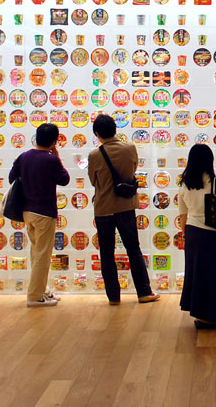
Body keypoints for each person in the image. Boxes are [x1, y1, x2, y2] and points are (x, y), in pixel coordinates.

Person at [87, 114, 159, 305]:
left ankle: (113, 297)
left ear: (97, 133)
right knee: (133, 249)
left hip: (103, 208)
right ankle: (144, 292)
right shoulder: (130, 148)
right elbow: (132, 171)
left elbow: (93, 180)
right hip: (126, 206)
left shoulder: (95, 155)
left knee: (106, 253)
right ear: (115, 129)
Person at [9, 123, 70, 307]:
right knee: (43, 255)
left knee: (36, 253)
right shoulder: (51, 160)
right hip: (44, 212)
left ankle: (43, 290)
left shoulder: (24, 156)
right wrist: (57, 157)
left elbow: (12, 178)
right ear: (54, 142)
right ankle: (35, 296)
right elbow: (65, 179)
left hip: (27, 211)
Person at [177, 144, 216, 329]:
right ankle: (212, 316)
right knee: (212, 274)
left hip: (193, 233)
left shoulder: (185, 184)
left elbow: (183, 215)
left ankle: (201, 315)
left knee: (195, 273)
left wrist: (185, 234)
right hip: (213, 234)